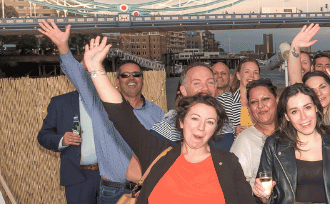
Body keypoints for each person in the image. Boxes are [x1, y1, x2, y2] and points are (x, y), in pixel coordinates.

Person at [83, 36, 251, 203]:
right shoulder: (158, 153)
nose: (201, 127)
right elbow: (121, 115)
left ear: (216, 128)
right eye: (195, 118)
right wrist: (95, 69)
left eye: (210, 122)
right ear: (181, 121)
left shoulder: (229, 162)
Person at [36, 19, 135, 204]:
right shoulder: (60, 103)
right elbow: (43, 136)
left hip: (112, 179)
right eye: (83, 73)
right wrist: (61, 140)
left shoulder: (112, 102)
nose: (87, 77)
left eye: (92, 71)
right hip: (77, 177)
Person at [253, 84, 330, 204]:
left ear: (316, 107)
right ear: (287, 116)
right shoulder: (274, 144)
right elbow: (263, 196)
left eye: (307, 107)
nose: (303, 117)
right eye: (294, 111)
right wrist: (262, 195)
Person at [150, 62, 236, 151]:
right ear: (183, 90)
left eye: (210, 82)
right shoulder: (164, 132)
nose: (205, 88)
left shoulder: (227, 126)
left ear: (215, 88)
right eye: (197, 83)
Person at [229, 78, 279, 183]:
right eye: (254, 102)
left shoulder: (292, 132)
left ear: (277, 100)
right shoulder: (245, 140)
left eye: (265, 99)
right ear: (249, 108)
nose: (260, 106)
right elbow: (235, 184)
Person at [114, 60, 164, 129]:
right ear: (118, 81)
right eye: (125, 75)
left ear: (142, 80)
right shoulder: (108, 111)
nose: (131, 78)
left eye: (136, 74)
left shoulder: (157, 113)